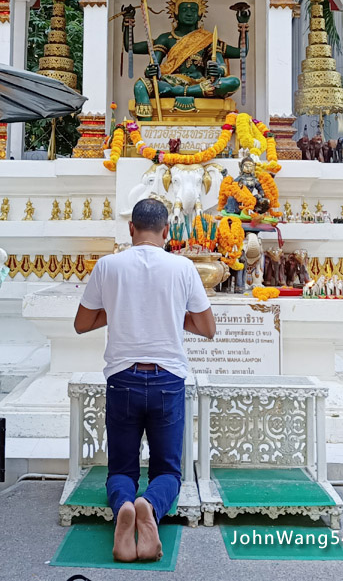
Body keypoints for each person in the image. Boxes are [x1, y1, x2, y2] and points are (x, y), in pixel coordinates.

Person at [73, 198, 216, 562]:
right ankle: (149, 507)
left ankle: (123, 504)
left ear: (131, 229)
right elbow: (207, 328)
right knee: (168, 469)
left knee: (121, 467)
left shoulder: (108, 266)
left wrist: (120, 310)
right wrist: (169, 316)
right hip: (168, 379)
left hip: (122, 379)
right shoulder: (182, 267)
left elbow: (82, 323)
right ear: (167, 232)